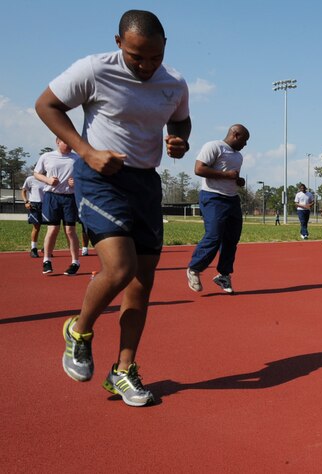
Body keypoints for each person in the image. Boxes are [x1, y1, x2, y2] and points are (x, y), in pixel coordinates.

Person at [35, 9, 191, 406]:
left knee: (141, 284)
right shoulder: (93, 69)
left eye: (154, 57)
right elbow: (47, 105)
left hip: (146, 184)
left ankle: (122, 371)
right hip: (100, 177)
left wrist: (178, 141)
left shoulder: (174, 82)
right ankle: (79, 330)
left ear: (165, 48)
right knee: (120, 269)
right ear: (119, 42)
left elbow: (180, 121)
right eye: (137, 56)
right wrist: (86, 151)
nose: (146, 65)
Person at [185, 125, 250, 294]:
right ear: (235, 135)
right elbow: (199, 169)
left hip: (232, 199)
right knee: (214, 236)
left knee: (231, 239)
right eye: (244, 140)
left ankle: (223, 274)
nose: (245, 144)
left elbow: (231, 177)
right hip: (213, 197)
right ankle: (194, 268)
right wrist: (227, 175)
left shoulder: (239, 156)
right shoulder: (213, 146)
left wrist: (238, 181)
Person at [34, 137, 81, 275]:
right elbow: (36, 173)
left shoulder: (77, 158)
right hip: (52, 197)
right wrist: (47, 180)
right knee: (53, 229)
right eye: (66, 141)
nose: (69, 145)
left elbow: (85, 176)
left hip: (69, 198)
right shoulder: (47, 156)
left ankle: (75, 262)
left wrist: (76, 182)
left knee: (70, 231)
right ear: (58, 141)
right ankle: (47, 260)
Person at [21, 175, 45, 258]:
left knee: (51, 227)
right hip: (35, 205)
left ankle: (46, 248)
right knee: (36, 227)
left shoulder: (49, 178)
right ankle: (33, 249)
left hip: (47, 204)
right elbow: (23, 191)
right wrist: (26, 201)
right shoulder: (30, 179)